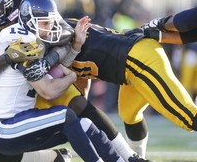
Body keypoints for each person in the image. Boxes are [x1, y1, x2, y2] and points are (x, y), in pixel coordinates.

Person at [0, 0, 149, 162]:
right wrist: (10, 56)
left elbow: (60, 29)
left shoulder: (26, 5)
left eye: (2, 2)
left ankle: (129, 157)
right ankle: (50, 158)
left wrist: (59, 48)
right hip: (14, 89)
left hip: (42, 71)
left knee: (79, 108)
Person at [21, 16, 197, 159]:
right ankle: (137, 158)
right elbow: (83, 74)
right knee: (129, 114)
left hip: (139, 61)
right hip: (132, 63)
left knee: (187, 116)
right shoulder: (60, 32)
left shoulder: (59, 38)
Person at [0, 0, 124, 162]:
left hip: (21, 121)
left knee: (85, 124)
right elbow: (48, 90)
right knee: (66, 115)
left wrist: (75, 47)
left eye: (52, 22)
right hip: (3, 127)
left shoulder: (34, 39)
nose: (50, 27)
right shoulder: (18, 40)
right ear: (30, 20)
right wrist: (72, 78)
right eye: (45, 22)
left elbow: (53, 72)